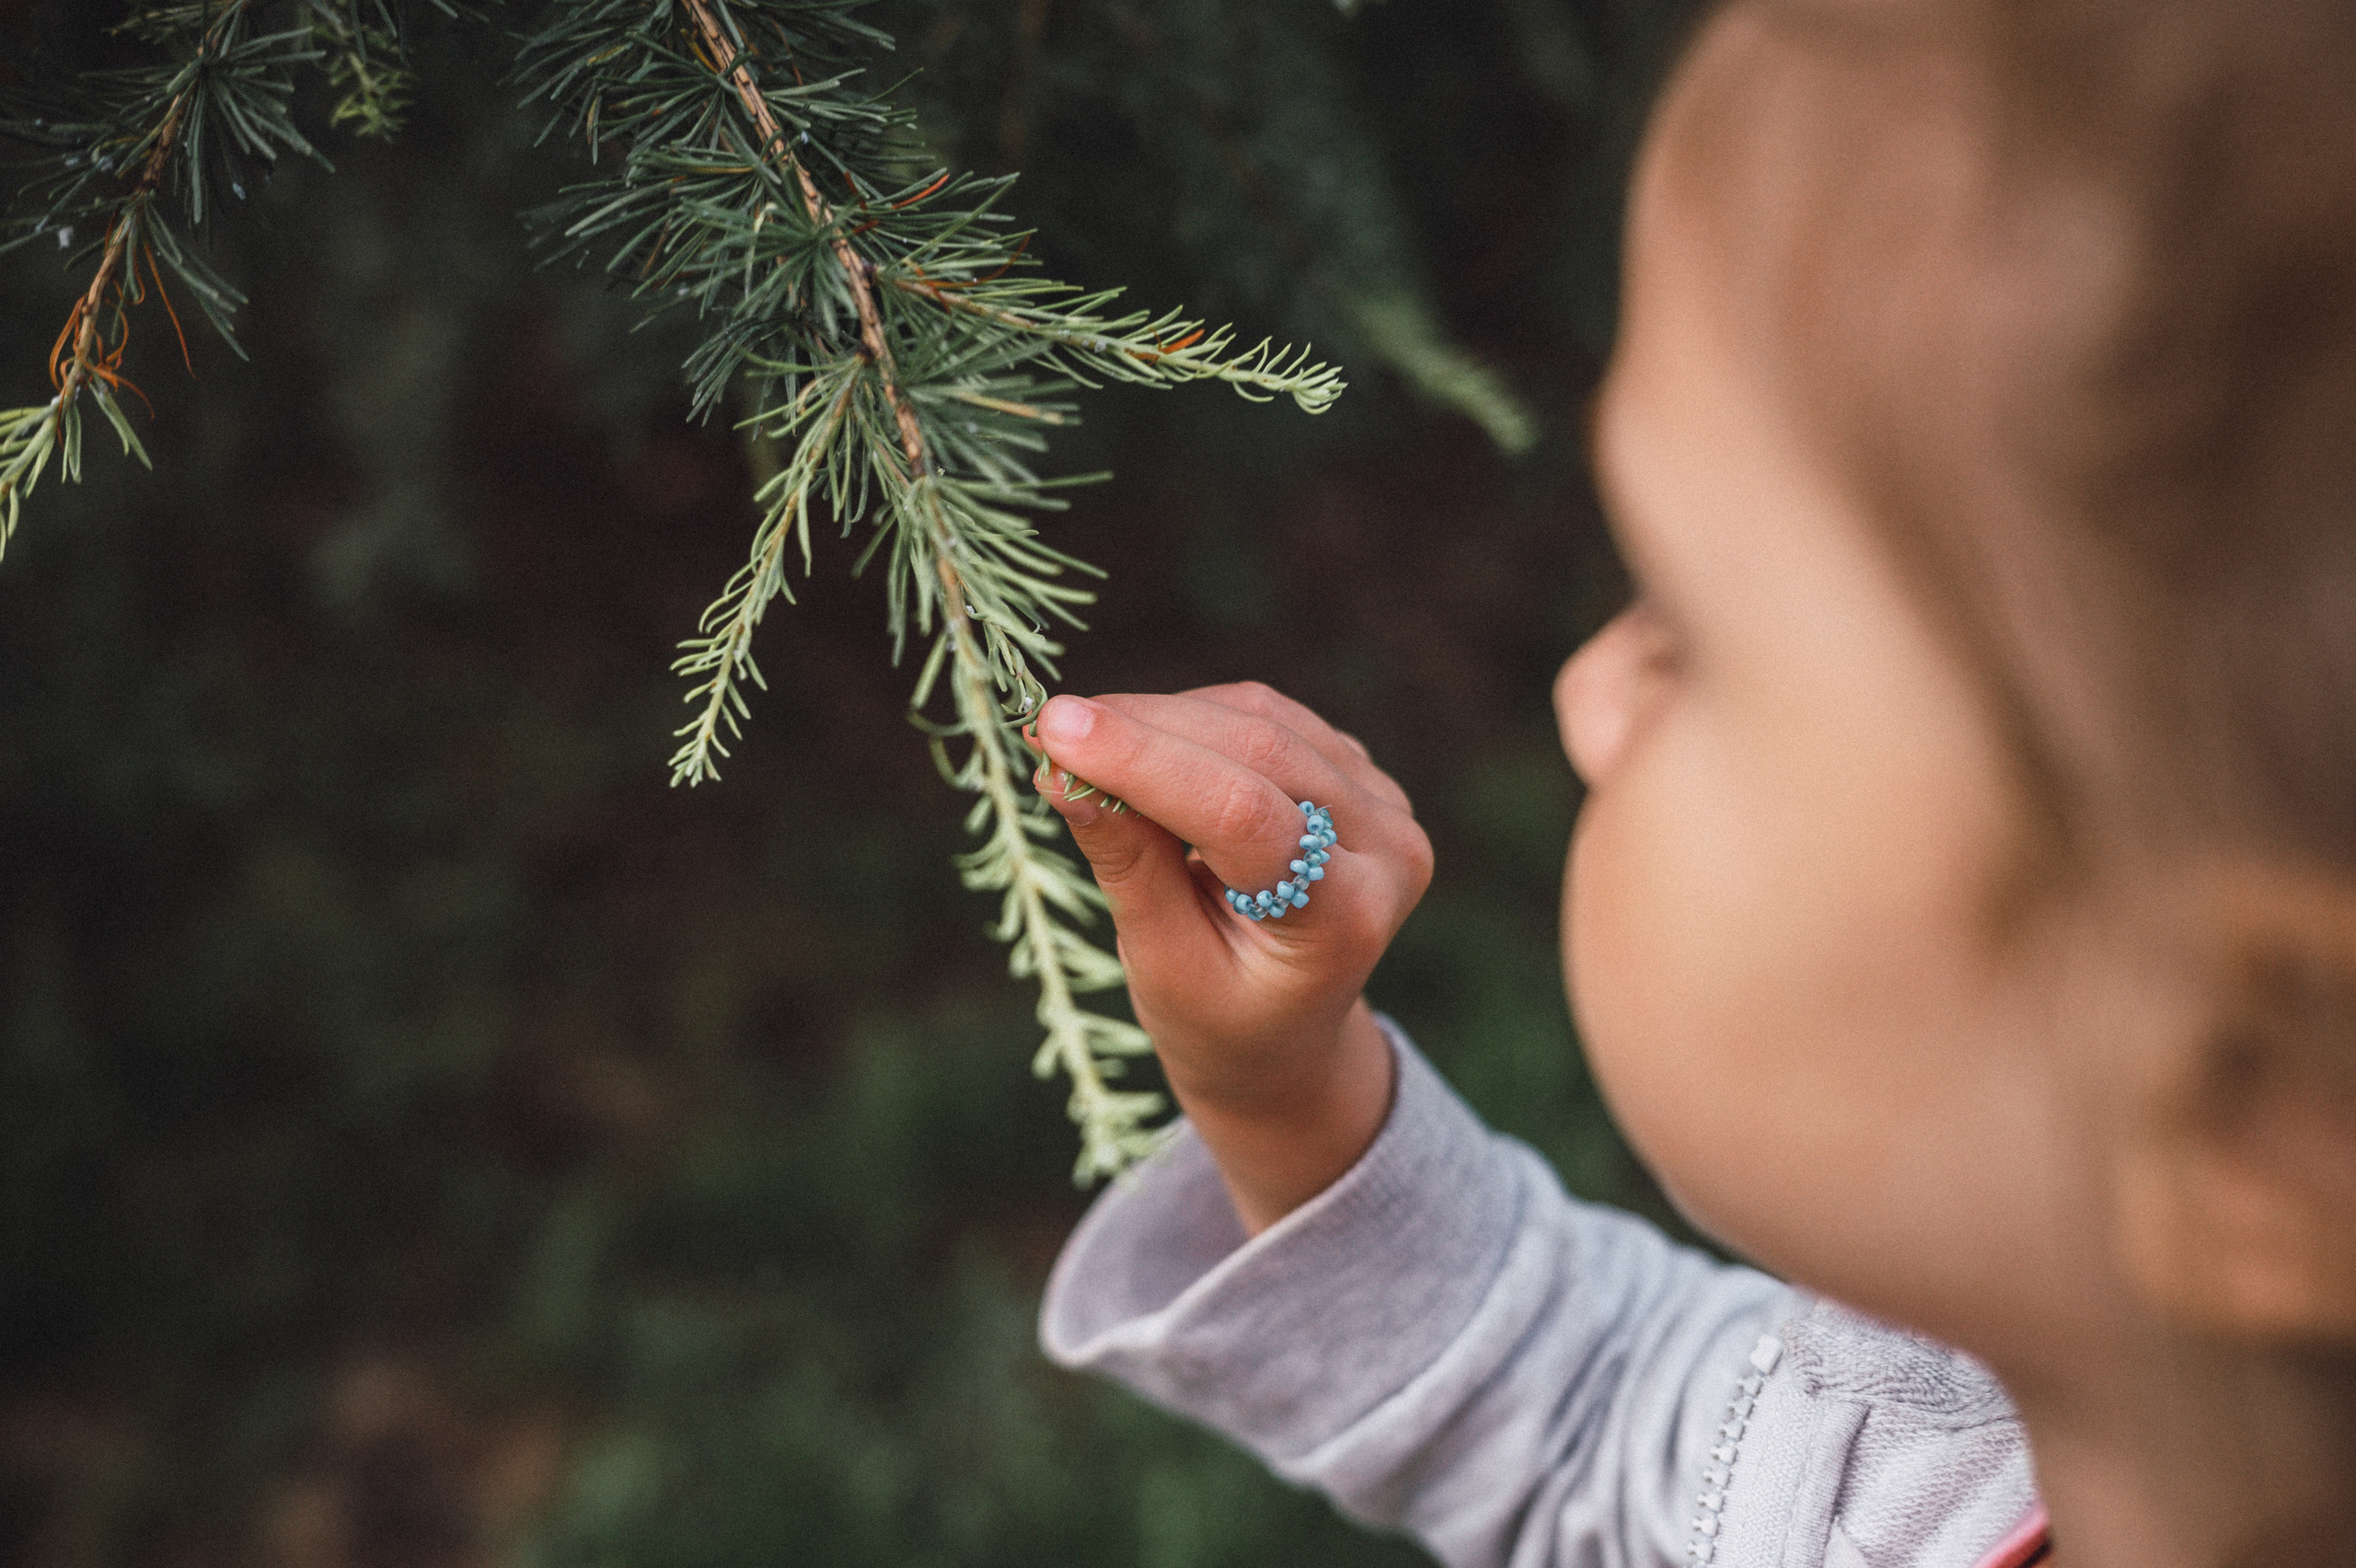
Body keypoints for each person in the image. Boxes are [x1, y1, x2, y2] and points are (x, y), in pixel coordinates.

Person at [1025, 1, 2356, 1564]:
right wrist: (1285, 1096)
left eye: (1693, 636)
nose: (1589, 700)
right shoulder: (1900, 1464)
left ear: (2255, 1107)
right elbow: (1584, 1424)